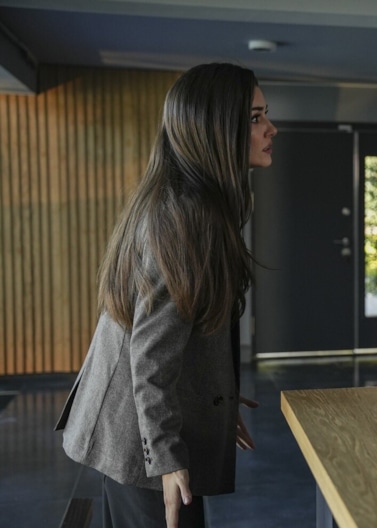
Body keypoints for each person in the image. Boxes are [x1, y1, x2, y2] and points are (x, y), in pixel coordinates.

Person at [55, 62, 278, 528]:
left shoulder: (193, 201)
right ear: (216, 129)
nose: (270, 129)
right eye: (255, 118)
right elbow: (151, 354)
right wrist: (167, 458)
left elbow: (182, 329)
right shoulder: (187, 217)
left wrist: (216, 398)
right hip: (138, 442)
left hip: (133, 428)